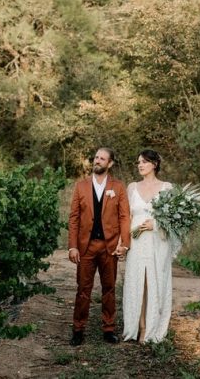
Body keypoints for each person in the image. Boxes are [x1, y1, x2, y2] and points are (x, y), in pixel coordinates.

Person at [68, 147, 131, 346]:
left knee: (109, 289)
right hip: (86, 247)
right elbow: (74, 218)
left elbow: (124, 217)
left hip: (109, 246)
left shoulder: (118, 187)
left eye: (102, 159)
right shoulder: (80, 186)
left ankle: (109, 329)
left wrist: (125, 244)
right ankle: (78, 329)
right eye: (96, 157)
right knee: (83, 289)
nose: (97, 161)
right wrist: (72, 246)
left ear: (110, 163)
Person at [122, 149, 173, 343]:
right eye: (138, 162)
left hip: (157, 241)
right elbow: (127, 218)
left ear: (155, 164)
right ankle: (140, 326)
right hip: (137, 241)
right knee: (138, 282)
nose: (140, 165)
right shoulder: (132, 187)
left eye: (144, 162)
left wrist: (155, 224)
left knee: (154, 281)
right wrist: (123, 244)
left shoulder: (167, 187)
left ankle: (153, 326)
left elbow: (173, 220)